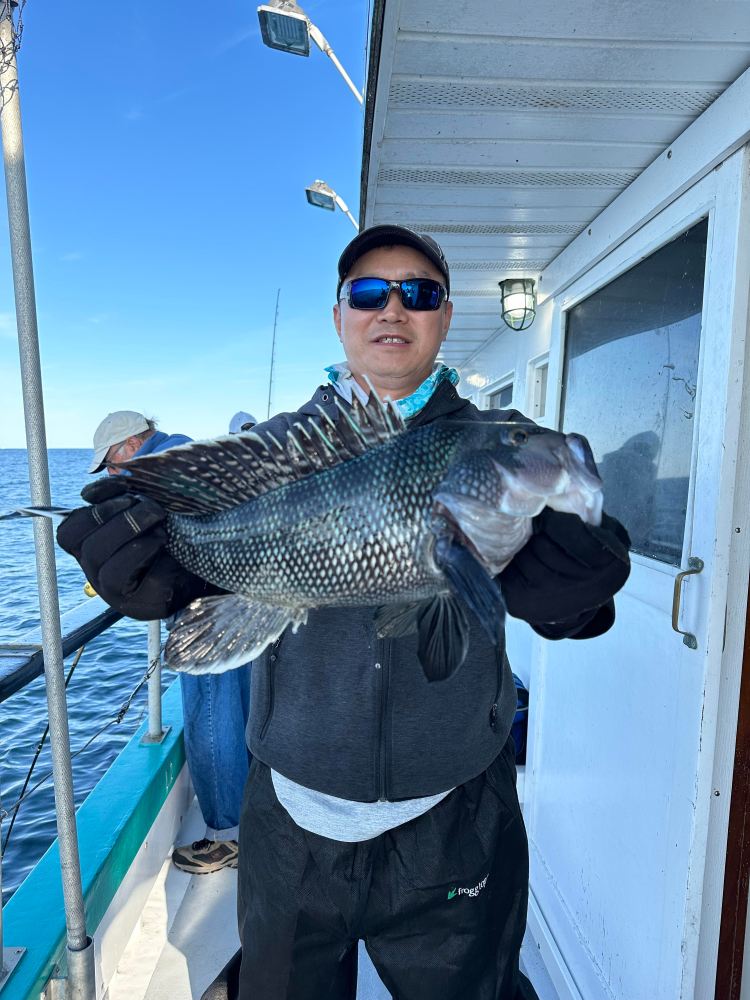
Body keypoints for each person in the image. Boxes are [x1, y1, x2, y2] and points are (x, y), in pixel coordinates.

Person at [59, 226, 631, 999]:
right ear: (340, 318)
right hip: (292, 815)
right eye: (369, 292)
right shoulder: (278, 448)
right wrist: (155, 569)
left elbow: (568, 605)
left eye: (418, 292)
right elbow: (192, 557)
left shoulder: (495, 441)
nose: (392, 307)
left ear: (444, 315)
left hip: (458, 815)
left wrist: (578, 588)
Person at [87, 410, 250, 876]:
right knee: (243, 701)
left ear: (131, 445)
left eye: (111, 465)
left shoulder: (158, 472)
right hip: (242, 603)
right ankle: (252, 813)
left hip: (206, 611)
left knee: (211, 716)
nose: (113, 475)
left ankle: (226, 837)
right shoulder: (192, 452)